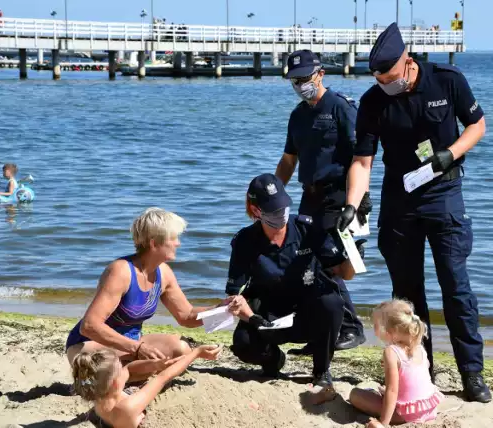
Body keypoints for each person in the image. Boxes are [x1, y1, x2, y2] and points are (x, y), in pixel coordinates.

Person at [336, 22, 491, 402]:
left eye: (389, 76)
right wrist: (351, 205)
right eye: (377, 78)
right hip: (399, 197)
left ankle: (472, 373)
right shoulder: (373, 102)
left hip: (443, 193)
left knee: (456, 287)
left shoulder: (447, 80)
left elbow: (477, 125)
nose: (384, 83)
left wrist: (450, 153)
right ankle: (421, 371)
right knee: (407, 297)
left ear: (408, 62)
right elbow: (362, 160)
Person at [225, 173, 364, 396]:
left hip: (307, 312)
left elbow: (344, 275)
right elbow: (234, 296)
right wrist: (250, 316)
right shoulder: (244, 241)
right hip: (268, 317)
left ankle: (321, 371)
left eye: (283, 207)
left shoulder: (308, 229)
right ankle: (273, 361)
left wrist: (353, 259)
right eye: (273, 210)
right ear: (255, 210)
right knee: (243, 343)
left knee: (333, 303)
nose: (280, 215)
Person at [275, 49, 369, 354]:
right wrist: (273, 192)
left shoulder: (341, 108)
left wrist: (358, 202)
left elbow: (362, 159)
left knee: (331, 264)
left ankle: (351, 328)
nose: (300, 84)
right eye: (294, 81)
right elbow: (289, 160)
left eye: (304, 78)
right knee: (305, 264)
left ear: (320, 75)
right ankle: (321, 332)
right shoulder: (297, 116)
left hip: (340, 198)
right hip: (308, 197)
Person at [65, 208, 218, 382]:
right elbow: (89, 326)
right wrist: (137, 348)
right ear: (154, 243)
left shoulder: (164, 273)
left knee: (181, 349)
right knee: (113, 368)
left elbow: (186, 317)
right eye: (174, 238)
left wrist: (224, 310)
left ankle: (130, 375)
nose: (178, 244)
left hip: (131, 345)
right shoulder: (120, 271)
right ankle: (126, 376)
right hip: (88, 345)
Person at [71, 344, 222, 428]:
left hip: (110, 418)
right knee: (162, 382)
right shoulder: (127, 407)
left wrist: (156, 364)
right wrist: (196, 353)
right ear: (116, 382)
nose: (123, 367)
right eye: (120, 366)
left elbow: (128, 370)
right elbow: (164, 377)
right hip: (129, 417)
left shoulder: (97, 393)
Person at [349, 299, 444, 427]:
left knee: (355, 394)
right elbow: (416, 377)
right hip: (429, 409)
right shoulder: (419, 346)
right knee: (380, 391)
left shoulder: (391, 352)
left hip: (405, 415)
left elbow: (392, 391)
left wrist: (384, 422)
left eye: (375, 325)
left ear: (390, 331)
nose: (373, 328)